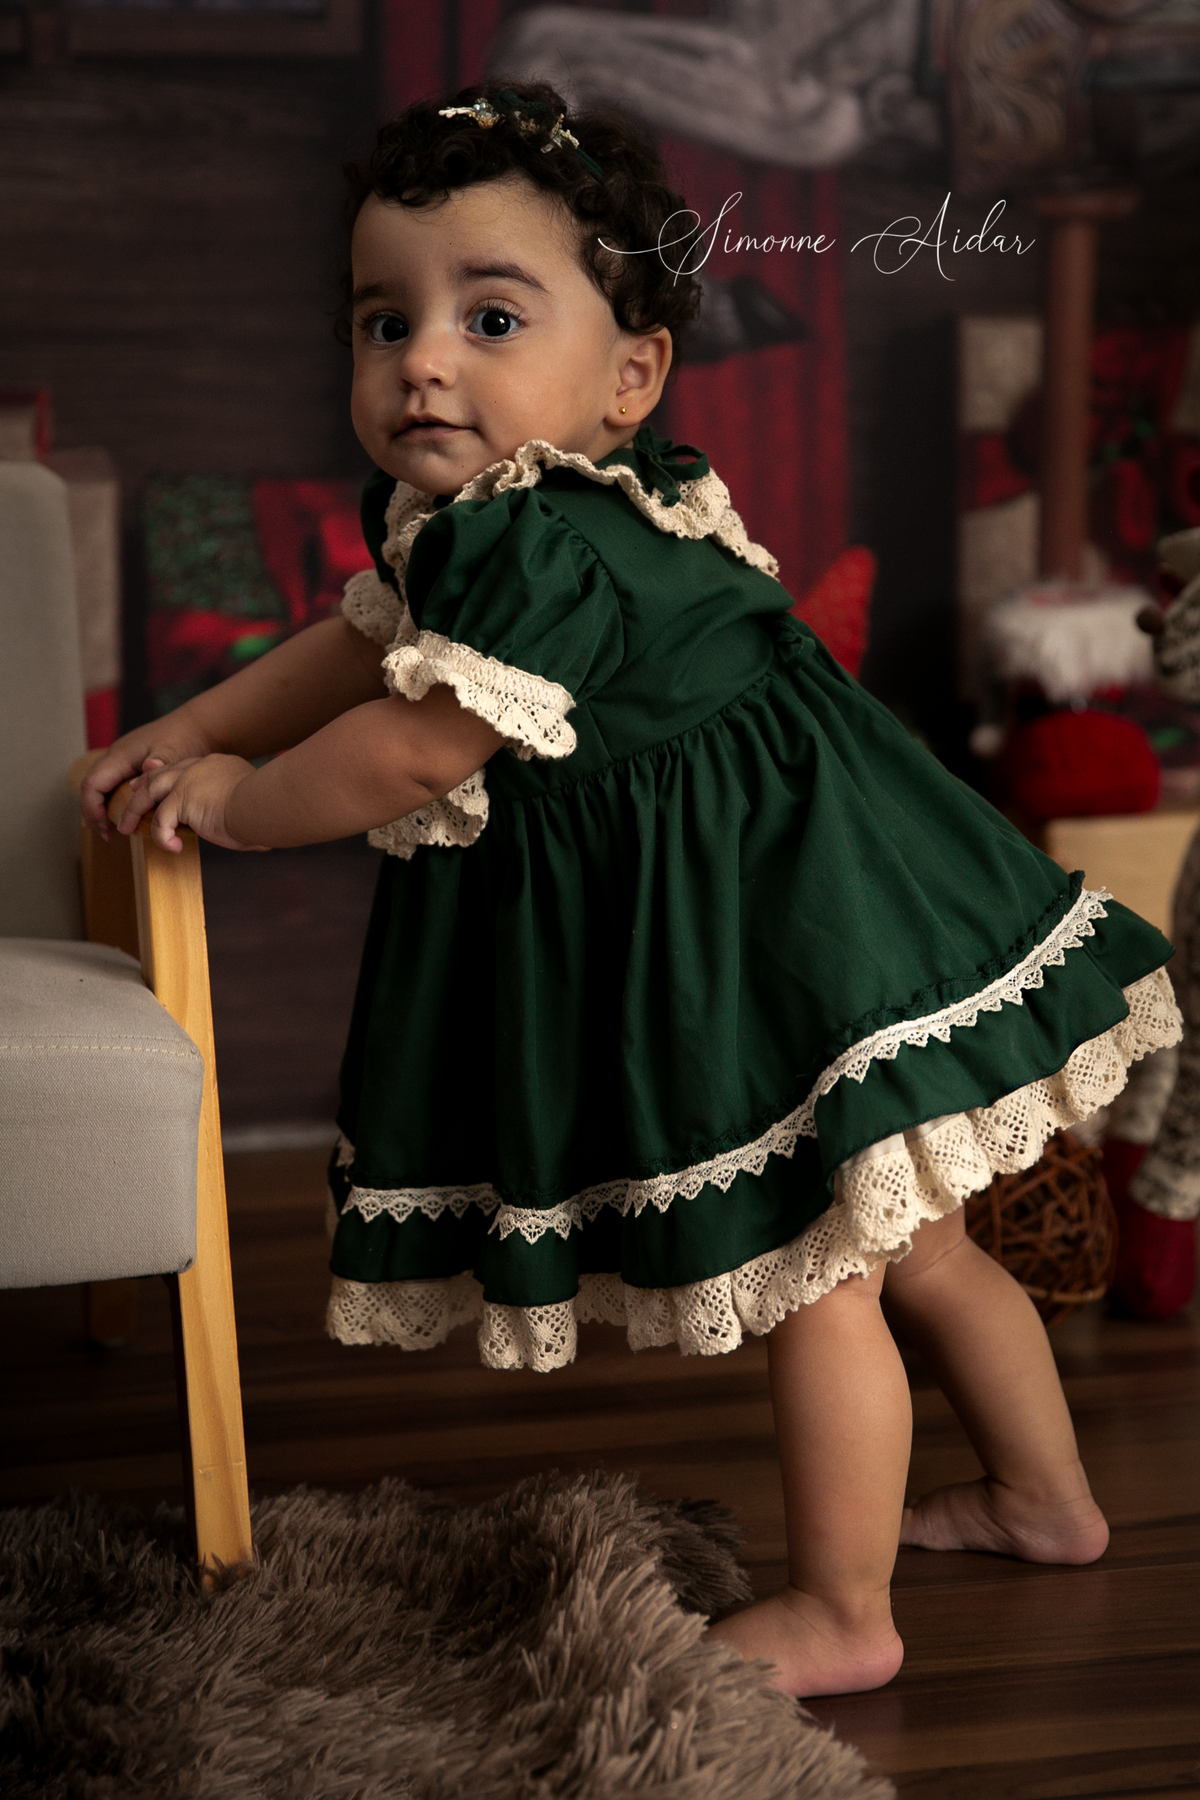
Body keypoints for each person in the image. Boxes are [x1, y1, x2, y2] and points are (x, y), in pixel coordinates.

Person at [81, 83, 1180, 1700]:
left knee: (822, 1273)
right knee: (925, 1251)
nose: (423, 360)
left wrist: (241, 804)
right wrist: (190, 725)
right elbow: (359, 642)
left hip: (782, 929)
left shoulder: (542, 544)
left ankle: (844, 1609)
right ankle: (1046, 1500)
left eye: (491, 316)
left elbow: (409, 742)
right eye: (385, 320)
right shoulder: (521, 517)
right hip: (841, 888)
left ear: (630, 376)